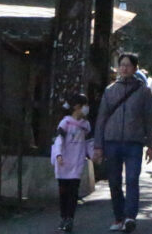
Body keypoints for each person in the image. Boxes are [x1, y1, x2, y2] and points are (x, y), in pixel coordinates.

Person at [93, 53, 152, 233]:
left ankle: (130, 217)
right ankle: (118, 217)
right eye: (121, 65)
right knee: (114, 181)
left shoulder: (144, 91)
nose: (124, 68)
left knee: (132, 179)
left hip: (134, 142)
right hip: (111, 141)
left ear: (135, 68)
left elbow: (149, 119)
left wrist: (151, 144)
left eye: (128, 65)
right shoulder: (110, 90)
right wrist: (98, 145)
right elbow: (101, 119)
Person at [51, 93, 94, 233]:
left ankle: (70, 218)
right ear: (77, 107)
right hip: (63, 162)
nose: (87, 108)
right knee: (63, 192)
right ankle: (63, 217)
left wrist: (94, 156)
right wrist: (58, 154)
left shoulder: (86, 125)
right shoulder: (65, 122)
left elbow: (88, 143)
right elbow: (59, 140)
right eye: (85, 105)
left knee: (73, 192)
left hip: (77, 162)